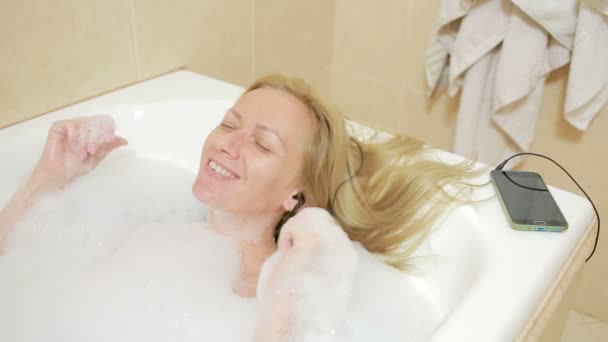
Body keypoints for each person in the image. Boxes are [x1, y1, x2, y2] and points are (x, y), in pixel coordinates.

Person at [0, 74, 476, 340]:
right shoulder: (152, 224)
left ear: (295, 197)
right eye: (230, 123)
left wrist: (283, 312)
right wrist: (50, 176)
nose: (227, 144)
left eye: (261, 145)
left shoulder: (280, 287)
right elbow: (18, 272)